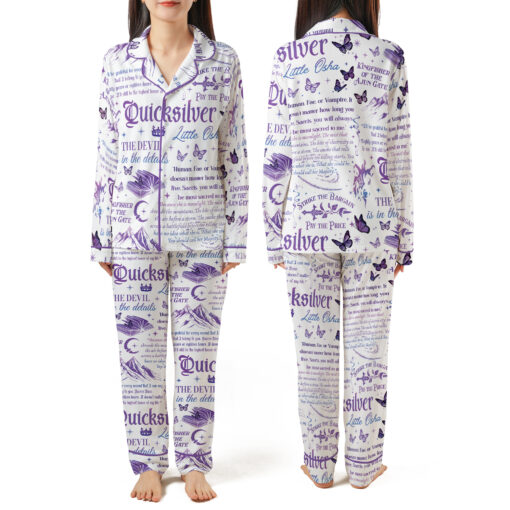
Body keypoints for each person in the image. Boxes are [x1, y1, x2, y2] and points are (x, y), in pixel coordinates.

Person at [90, 0, 248, 502]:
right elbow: (108, 150)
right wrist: (101, 234)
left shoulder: (223, 62)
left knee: (198, 355)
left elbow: (235, 151)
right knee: (138, 354)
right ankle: (149, 463)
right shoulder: (117, 63)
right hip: (132, 235)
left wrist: (236, 234)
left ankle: (195, 461)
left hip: (203, 232)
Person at [262, 0, 413, 489]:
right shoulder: (388, 57)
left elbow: (277, 154)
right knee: (369, 349)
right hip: (374, 225)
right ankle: (365, 467)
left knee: (314, 353)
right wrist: (405, 240)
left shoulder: (288, 58)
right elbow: (399, 154)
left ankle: (320, 465)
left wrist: (274, 235)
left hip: (306, 227)